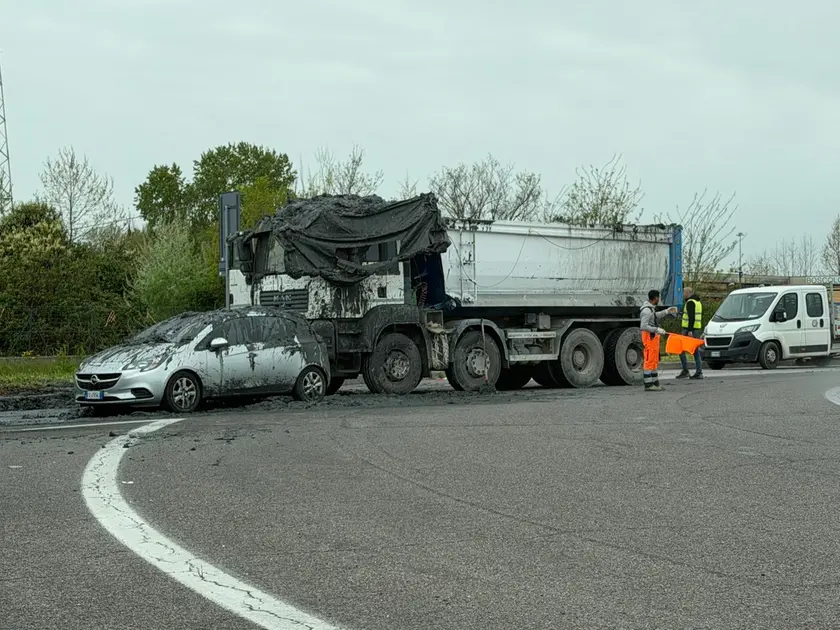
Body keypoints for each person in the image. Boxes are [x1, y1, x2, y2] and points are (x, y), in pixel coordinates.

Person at [640, 289, 678, 392]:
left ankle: (655, 383)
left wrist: (666, 311)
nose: (659, 299)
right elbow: (643, 326)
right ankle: (648, 385)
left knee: (653, 360)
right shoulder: (646, 311)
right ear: (656, 298)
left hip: (652, 337)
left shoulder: (650, 309)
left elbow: (655, 316)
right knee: (649, 360)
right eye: (658, 297)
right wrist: (657, 329)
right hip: (649, 337)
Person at [677, 287, 704, 380]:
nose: (682, 294)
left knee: (681, 349)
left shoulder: (690, 302)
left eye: (684, 292)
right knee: (695, 351)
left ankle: (688, 371)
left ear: (688, 292)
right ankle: (698, 372)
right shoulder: (697, 302)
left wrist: (689, 330)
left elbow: (691, 317)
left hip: (689, 330)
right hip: (696, 329)